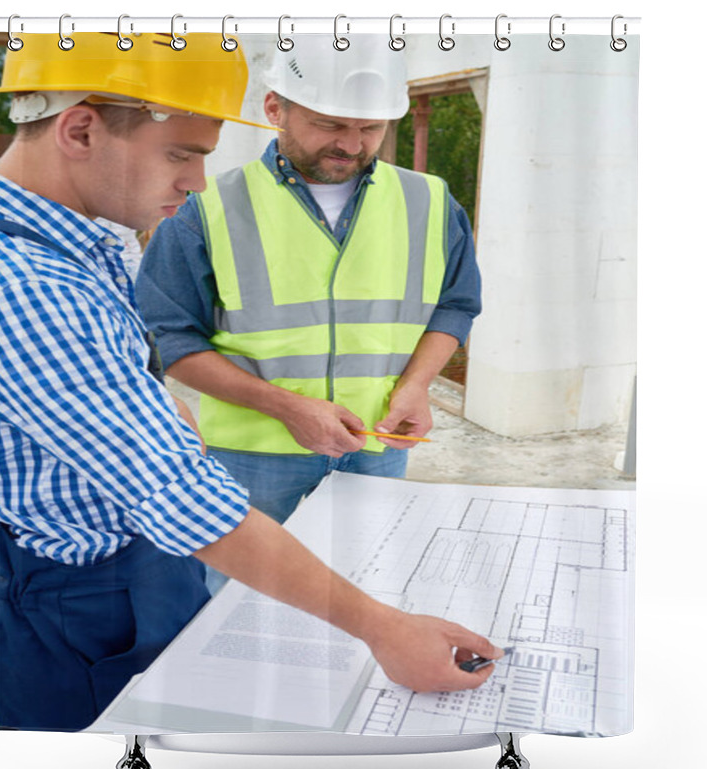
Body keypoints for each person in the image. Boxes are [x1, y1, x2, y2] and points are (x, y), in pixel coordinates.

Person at [0, 32, 501, 733]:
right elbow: (181, 497)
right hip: (100, 577)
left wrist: (142, 402)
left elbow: (111, 362)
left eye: (368, 127)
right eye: (183, 154)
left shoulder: (82, 242)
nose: (196, 180)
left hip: (176, 538)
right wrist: (384, 630)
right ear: (79, 128)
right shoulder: (34, 284)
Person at [135, 37, 482, 587]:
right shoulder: (205, 208)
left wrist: (416, 387)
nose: (352, 144)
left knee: (364, 586)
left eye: (370, 128)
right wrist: (287, 407)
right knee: (239, 607)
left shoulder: (431, 201)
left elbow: (455, 305)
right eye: (330, 125)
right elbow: (170, 340)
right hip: (253, 455)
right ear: (275, 108)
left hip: (377, 445)